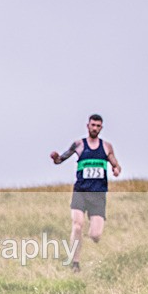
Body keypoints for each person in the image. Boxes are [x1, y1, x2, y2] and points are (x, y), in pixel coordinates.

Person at [50, 114, 121, 272]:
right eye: (92, 125)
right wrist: (55, 158)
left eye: (98, 126)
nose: (95, 128)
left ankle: (92, 234)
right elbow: (61, 159)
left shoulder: (106, 147)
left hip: (98, 195)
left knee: (95, 235)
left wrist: (116, 170)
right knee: (77, 226)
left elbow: (116, 164)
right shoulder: (79, 145)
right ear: (88, 126)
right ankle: (75, 263)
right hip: (80, 191)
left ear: (101, 128)